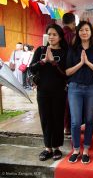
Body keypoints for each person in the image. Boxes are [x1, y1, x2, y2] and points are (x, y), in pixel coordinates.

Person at [29, 24, 68, 161]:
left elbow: (65, 74)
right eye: (49, 34)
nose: (51, 37)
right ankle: (48, 148)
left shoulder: (64, 52)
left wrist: (53, 63)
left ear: (60, 37)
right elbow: (31, 69)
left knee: (57, 119)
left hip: (59, 92)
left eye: (54, 34)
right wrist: (44, 60)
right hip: (43, 91)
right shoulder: (40, 50)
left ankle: (57, 148)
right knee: (45, 119)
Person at [66, 21, 93, 164]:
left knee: (90, 120)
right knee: (75, 121)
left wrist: (87, 63)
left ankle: (86, 149)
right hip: (74, 88)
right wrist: (80, 63)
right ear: (78, 32)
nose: (84, 32)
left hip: (91, 88)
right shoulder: (73, 49)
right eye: (81, 30)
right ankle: (76, 150)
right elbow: (67, 72)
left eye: (87, 30)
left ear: (91, 32)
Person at [62, 12, 77, 136]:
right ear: (73, 23)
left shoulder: (57, 33)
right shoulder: (72, 36)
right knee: (69, 100)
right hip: (70, 71)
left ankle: (65, 126)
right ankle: (68, 126)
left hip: (58, 70)